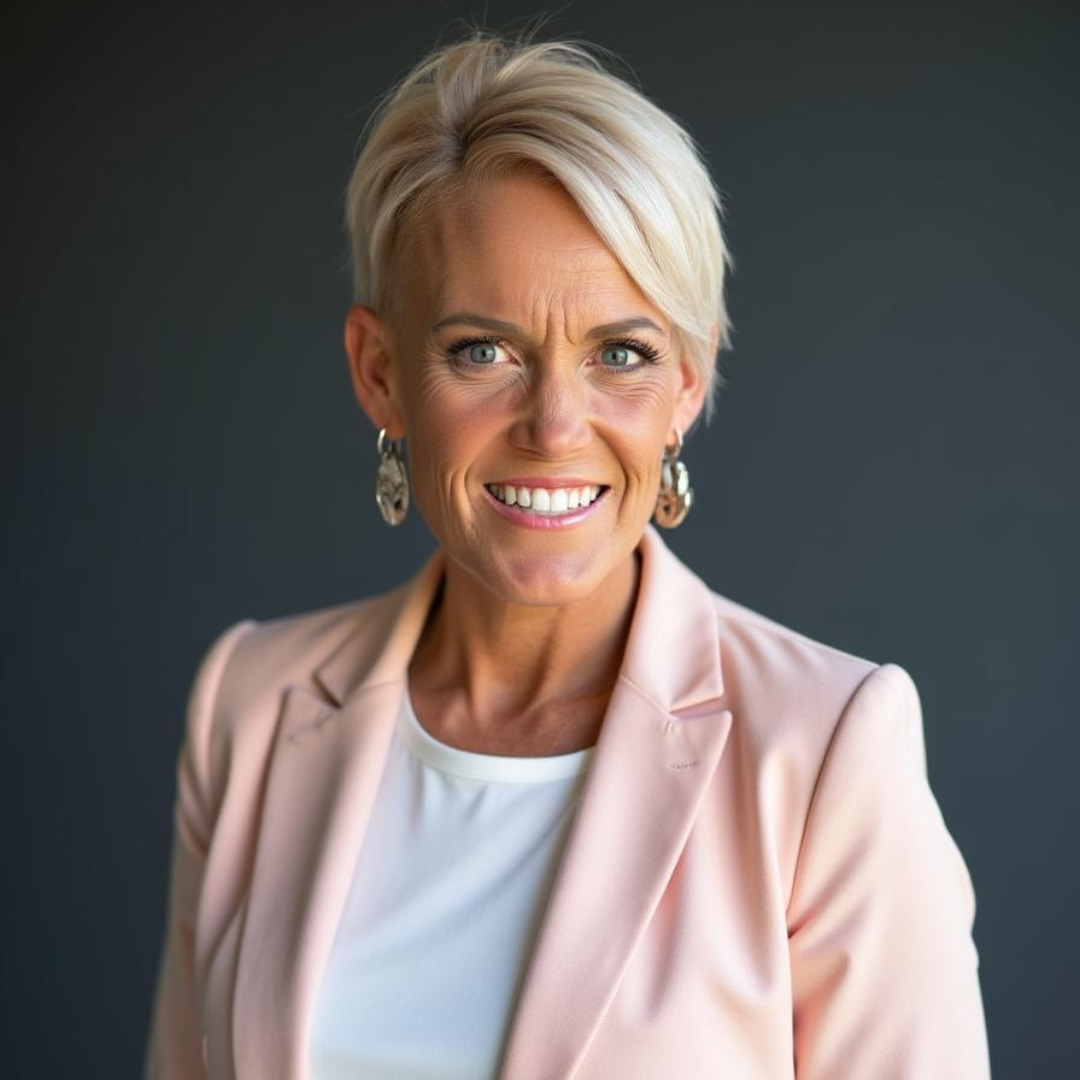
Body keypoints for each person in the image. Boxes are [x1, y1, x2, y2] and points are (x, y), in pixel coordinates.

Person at [144, 30, 992, 1080]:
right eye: (483, 351)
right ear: (379, 373)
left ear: (685, 386)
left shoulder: (825, 753)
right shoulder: (249, 707)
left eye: (620, 355)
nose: (555, 425)